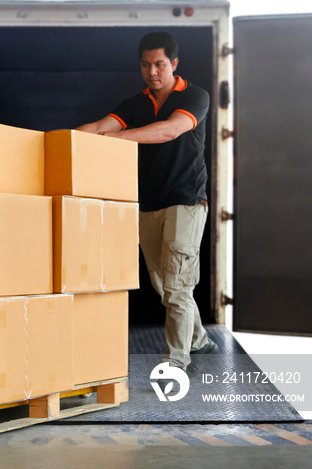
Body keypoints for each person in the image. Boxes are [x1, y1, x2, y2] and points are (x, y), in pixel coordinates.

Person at [77, 31, 218, 374]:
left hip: (185, 201)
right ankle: (198, 340)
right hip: (148, 205)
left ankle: (176, 361)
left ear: (174, 64)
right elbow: (97, 128)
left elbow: (169, 130)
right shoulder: (135, 105)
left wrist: (118, 139)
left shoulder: (195, 96)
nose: (152, 71)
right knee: (163, 285)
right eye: (145, 65)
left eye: (159, 64)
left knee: (176, 285)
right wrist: (51, 141)